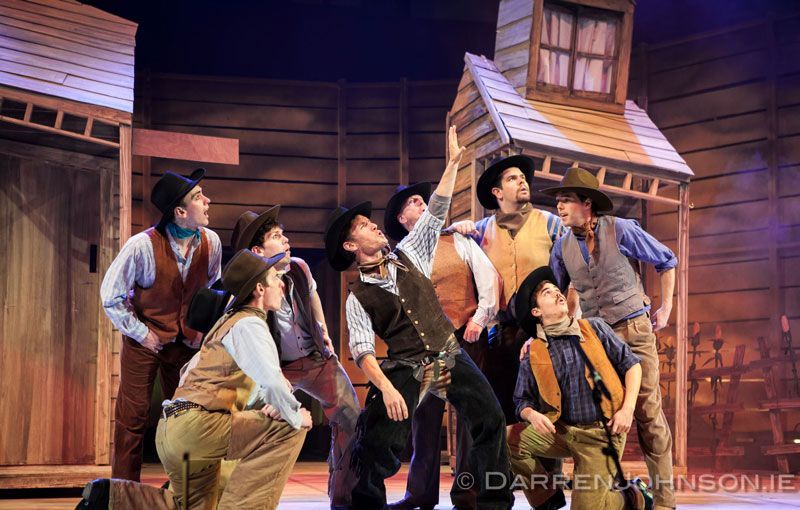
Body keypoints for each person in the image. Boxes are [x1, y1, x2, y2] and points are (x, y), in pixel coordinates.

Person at [324, 127, 513, 510]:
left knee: (489, 417)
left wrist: (455, 163)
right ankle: (366, 503)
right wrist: (388, 389)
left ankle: (495, 502)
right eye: (363, 226)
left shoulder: (412, 251)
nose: (374, 225)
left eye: (371, 221)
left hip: (449, 352)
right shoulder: (357, 297)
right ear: (350, 246)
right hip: (407, 367)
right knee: (379, 441)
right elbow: (363, 352)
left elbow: (437, 208)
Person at [544, 165, 677, 510]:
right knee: (598, 415)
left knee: (647, 414)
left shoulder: (621, 230)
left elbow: (667, 260)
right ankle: (610, 494)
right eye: (557, 201)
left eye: (567, 201)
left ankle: (664, 502)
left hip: (633, 331)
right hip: (596, 340)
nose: (560, 207)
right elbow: (560, 292)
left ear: (587, 203)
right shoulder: (561, 248)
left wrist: (665, 309)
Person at [157, 250, 312, 509]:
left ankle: (112, 498)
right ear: (259, 289)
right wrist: (295, 415)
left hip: (171, 430)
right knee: (290, 428)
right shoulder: (250, 324)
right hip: (199, 428)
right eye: (276, 278)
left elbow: (187, 373)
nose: (282, 283)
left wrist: (274, 402)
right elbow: (273, 382)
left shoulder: (224, 324)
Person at [229, 205, 361, 509]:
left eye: (283, 233)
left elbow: (312, 293)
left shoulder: (299, 267)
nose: (286, 239)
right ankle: (242, 497)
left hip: (315, 358)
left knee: (351, 416)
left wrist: (323, 330)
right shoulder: (251, 289)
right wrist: (271, 386)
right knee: (253, 420)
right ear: (258, 250)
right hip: (276, 369)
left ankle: (344, 497)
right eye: (277, 236)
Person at [382, 182, 501, 510]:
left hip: (466, 335)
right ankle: (420, 493)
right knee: (426, 417)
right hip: (427, 347)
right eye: (415, 203)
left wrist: (480, 317)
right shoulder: (400, 255)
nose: (422, 205)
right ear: (402, 218)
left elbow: (488, 277)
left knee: (467, 416)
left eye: (424, 201)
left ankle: (467, 493)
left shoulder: (456, 239)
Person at [100, 168, 221, 481]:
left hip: (185, 344)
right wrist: (143, 334)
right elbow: (111, 296)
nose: (208, 201)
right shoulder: (140, 246)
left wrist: (200, 331)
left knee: (188, 417)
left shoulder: (212, 243)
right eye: (198, 197)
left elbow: (212, 293)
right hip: (145, 341)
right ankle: (124, 492)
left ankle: (184, 490)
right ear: (180, 212)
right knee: (133, 418)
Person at [509, 266, 647, 510]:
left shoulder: (594, 328)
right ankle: (547, 499)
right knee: (506, 439)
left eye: (557, 290)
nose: (558, 294)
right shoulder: (534, 351)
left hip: (600, 436)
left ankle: (632, 497)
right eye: (548, 293)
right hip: (563, 432)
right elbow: (521, 400)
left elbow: (632, 366)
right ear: (536, 311)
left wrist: (627, 410)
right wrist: (532, 414)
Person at [449, 155, 564, 424]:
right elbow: (442, 252)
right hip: (499, 333)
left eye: (523, 178)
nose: (522, 181)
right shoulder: (480, 231)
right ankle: (508, 465)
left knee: (544, 401)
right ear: (497, 192)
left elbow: (571, 274)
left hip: (540, 331)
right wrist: (454, 229)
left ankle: (550, 467)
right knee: (503, 403)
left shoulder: (550, 223)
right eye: (513, 178)